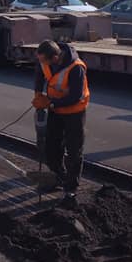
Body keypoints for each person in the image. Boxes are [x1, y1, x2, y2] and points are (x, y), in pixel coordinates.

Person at [34, 39, 89, 206]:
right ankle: (59, 177)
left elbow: (75, 96)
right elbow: (39, 72)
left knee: (74, 150)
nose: (42, 64)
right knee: (51, 146)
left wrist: (49, 103)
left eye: (45, 61)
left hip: (74, 113)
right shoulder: (45, 61)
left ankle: (71, 189)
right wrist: (38, 93)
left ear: (56, 57)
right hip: (56, 111)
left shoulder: (76, 68)